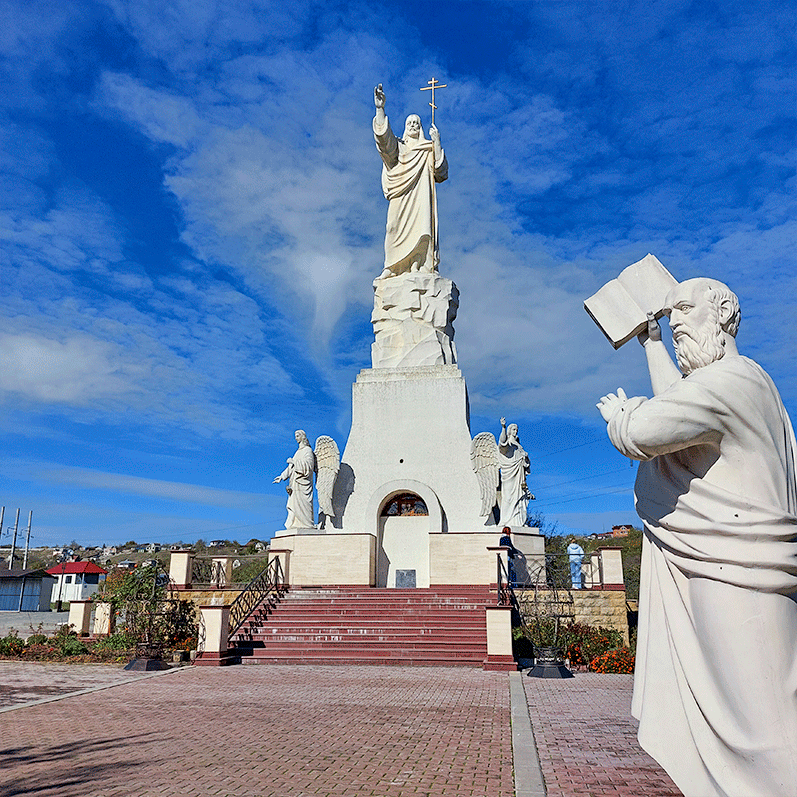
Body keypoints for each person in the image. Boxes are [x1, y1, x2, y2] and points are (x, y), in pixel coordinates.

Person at [597, 277, 797, 797]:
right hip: (730, 566)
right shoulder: (747, 382)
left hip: (737, 572)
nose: (675, 320)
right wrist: (651, 341)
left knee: (759, 726)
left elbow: (646, 433)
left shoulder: (732, 383)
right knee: (752, 710)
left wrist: (622, 417)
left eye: (684, 309)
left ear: (724, 313)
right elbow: (685, 407)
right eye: (670, 313)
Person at [373, 84, 448, 279]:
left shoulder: (427, 148)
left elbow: (441, 172)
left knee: (422, 227)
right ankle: (391, 266)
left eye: (416, 123)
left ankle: (417, 264)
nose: (413, 125)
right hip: (401, 193)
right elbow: (384, 143)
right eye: (410, 123)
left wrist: (436, 142)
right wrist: (380, 109)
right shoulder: (400, 146)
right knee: (392, 227)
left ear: (420, 127)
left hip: (420, 195)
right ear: (406, 127)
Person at [273, 430, 316, 529]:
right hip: (294, 483)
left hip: (303, 483)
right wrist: (282, 476)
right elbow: (291, 467)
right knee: (293, 504)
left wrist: (294, 461)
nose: (296, 438)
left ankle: (306, 525)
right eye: (295, 436)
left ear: (302, 437)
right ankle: (294, 524)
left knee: (304, 505)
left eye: (297, 436)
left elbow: (309, 466)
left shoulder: (307, 450)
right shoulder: (298, 452)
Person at [498, 417, 532, 527]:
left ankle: (519, 522)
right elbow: (502, 444)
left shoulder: (518, 445)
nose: (515, 431)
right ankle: (505, 521)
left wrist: (525, 458)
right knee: (508, 498)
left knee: (520, 498)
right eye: (513, 429)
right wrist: (503, 427)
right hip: (509, 474)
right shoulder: (508, 443)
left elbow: (525, 463)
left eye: (516, 430)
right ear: (509, 431)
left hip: (519, 475)